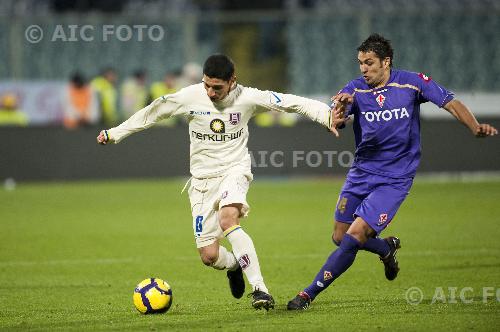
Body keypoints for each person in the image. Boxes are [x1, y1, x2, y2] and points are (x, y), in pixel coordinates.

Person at [96, 54, 337, 310]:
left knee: (228, 219)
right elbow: (154, 111)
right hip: (201, 182)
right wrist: (115, 133)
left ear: (233, 81)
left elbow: (291, 102)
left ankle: (260, 290)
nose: (210, 92)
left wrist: (327, 116)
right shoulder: (190, 96)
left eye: (217, 87)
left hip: (234, 170)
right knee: (209, 256)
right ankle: (234, 265)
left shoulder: (248, 98)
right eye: (207, 85)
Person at [287, 33, 498, 310]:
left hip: (395, 179)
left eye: (369, 62)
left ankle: (307, 294)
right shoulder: (355, 89)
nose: (363, 69)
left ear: (386, 62)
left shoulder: (411, 82)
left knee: (353, 237)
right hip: (361, 173)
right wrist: (336, 116)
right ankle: (385, 249)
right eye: (360, 63)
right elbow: (338, 114)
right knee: (339, 236)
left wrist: (474, 127)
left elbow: (450, 102)